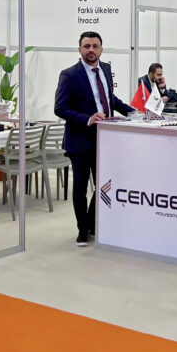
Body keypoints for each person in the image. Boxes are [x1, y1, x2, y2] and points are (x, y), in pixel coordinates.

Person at [54, 31, 134, 246]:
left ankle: (91, 223)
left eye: (95, 46)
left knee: (104, 185)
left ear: (101, 49)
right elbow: (60, 108)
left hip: (104, 140)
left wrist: (133, 112)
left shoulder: (105, 69)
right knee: (80, 188)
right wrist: (88, 119)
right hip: (80, 141)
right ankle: (82, 230)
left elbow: (109, 98)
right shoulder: (69, 75)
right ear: (79, 49)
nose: (91, 50)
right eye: (87, 46)